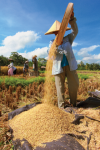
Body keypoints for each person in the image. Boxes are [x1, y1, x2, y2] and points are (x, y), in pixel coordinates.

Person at [45, 10, 79, 108]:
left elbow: (75, 31)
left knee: (74, 85)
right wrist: (56, 46)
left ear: (62, 30)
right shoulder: (52, 42)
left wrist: (72, 19)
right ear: (54, 33)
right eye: (55, 31)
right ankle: (61, 107)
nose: (57, 32)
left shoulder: (68, 39)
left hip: (70, 65)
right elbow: (50, 54)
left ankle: (73, 104)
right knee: (60, 87)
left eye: (59, 30)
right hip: (58, 67)